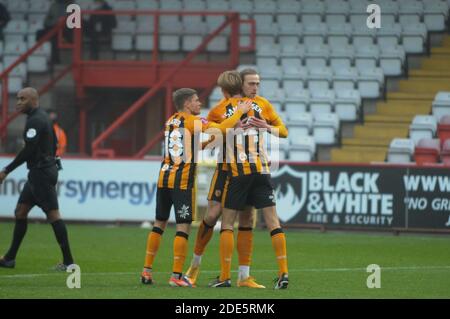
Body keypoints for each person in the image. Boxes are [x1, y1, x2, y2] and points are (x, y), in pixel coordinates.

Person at [140, 88, 251, 287]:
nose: (199, 104)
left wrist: (208, 143)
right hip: (181, 181)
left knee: (159, 224)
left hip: (163, 178)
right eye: (196, 101)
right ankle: (176, 276)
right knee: (183, 227)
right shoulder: (193, 121)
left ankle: (146, 271)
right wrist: (239, 112)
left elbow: (188, 146)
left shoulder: (171, 121)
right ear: (187, 104)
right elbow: (222, 128)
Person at [184, 70, 265, 289]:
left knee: (245, 219)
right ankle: (195, 264)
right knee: (212, 214)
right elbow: (212, 134)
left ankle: (243, 276)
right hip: (224, 169)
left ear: (223, 89)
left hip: (245, 169)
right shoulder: (219, 109)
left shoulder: (254, 105)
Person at [211, 69, 290, 289]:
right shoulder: (230, 106)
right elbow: (211, 132)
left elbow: (283, 131)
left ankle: (274, 275)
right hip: (241, 170)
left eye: (258, 83)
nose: (255, 87)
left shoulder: (259, 104)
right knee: (244, 221)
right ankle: (232, 277)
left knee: (238, 222)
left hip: (256, 171)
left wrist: (267, 127)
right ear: (241, 84)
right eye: (251, 83)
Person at [0, 88, 75, 270]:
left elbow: (29, 150)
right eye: (17, 98)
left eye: (22, 99)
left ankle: (69, 262)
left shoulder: (35, 120)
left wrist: (6, 170)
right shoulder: (41, 118)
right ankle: (9, 258)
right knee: (20, 211)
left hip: (41, 173)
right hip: (39, 172)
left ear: (33, 100)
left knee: (53, 215)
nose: (18, 102)